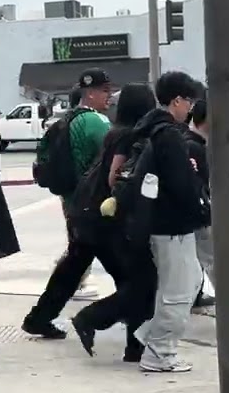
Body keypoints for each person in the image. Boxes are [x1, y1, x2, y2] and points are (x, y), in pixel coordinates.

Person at [22, 69, 118, 339]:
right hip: (96, 208)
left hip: (74, 204)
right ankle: (104, 318)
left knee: (73, 266)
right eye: (105, 91)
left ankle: (39, 318)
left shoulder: (66, 120)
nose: (109, 96)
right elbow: (116, 157)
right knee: (130, 274)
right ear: (90, 93)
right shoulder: (96, 122)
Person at [69, 82, 160, 361]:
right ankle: (92, 319)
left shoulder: (116, 132)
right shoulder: (129, 135)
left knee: (138, 284)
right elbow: (115, 177)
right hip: (116, 221)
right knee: (142, 284)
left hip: (98, 218)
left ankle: (134, 346)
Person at [132, 70, 209, 373]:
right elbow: (181, 184)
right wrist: (201, 209)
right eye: (189, 101)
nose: (191, 108)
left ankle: (152, 338)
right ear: (177, 100)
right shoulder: (169, 136)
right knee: (178, 291)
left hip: (163, 223)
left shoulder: (153, 130)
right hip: (172, 225)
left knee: (189, 283)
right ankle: (160, 351)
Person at [186, 98, 216, 308]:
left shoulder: (192, 142)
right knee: (210, 256)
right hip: (199, 211)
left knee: (198, 257)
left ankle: (195, 294)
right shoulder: (195, 146)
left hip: (193, 210)